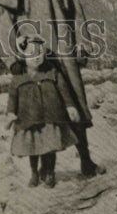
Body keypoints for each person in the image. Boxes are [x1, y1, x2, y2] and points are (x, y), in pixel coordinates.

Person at [0, 0, 106, 178]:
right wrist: (13, 59)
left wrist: (82, 45)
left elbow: (78, 17)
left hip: (64, 55)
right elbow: (4, 26)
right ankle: (44, 168)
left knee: (75, 106)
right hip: (36, 61)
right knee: (42, 113)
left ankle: (86, 161)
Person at [8, 29, 79, 187]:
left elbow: (64, 91)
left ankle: (49, 173)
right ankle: (34, 173)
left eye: (39, 53)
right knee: (33, 149)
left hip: (50, 118)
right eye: (31, 53)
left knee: (50, 148)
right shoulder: (18, 79)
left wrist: (70, 106)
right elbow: (13, 97)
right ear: (23, 56)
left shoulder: (52, 73)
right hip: (29, 119)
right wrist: (10, 113)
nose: (36, 57)